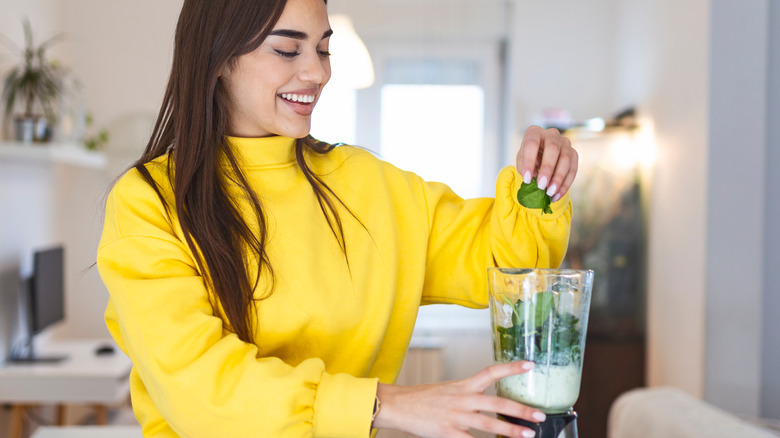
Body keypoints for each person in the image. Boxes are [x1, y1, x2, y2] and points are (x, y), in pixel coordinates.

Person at [96, 0, 578, 437]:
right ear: (219, 58)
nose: (317, 72)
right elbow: (200, 388)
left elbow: (506, 263)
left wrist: (540, 183)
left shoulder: (367, 185)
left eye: (324, 50)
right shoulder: (150, 202)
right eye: (287, 50)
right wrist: (381, 405)